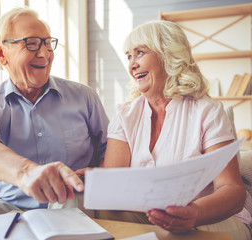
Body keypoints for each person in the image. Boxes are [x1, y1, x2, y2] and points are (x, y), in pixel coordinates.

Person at [0, 7, 109, 237]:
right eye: (32, 43)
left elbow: (110, 151)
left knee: (67, 204)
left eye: (47, 43)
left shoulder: (84, 97)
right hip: (10, 208)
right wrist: (27, 173)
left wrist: (97, 176)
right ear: (1, 53)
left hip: (72, 204)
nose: (44, 53)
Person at [99, 20, 252, 240]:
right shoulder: (125, 115)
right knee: (108, 216)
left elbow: (232, 191)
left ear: (167, 54)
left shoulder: (207, 111)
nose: (132, 64)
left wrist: (195, 213)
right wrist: (98, 179)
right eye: (129, 56)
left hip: (210, 219)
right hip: (149, 218)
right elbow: (114, 187)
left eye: (140, 53)